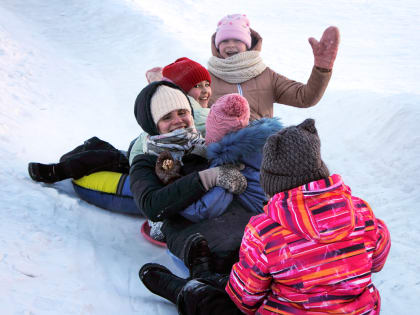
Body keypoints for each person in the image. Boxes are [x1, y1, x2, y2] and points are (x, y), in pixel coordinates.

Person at [137, 119, 391, 315]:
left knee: (218, 304)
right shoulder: (362, 212)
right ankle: (202, 273)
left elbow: (245, 299)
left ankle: (188, 289)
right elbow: (377, 260)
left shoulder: (265, 230)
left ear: (271, 183)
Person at [27, 57, 212, 184]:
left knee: (110, 154)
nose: (205, 91)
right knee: (100, 159)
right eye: (196, 86)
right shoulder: (195, 112)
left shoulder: (203, 111)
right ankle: (56, 171)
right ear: (181, 91)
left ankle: (94, 144)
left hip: (143, 151)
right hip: (141, 158)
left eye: (207, 85)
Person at [208, 14, 340, 120]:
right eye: (224, 41)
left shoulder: (265, 75)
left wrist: (322, 69)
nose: (230, 45)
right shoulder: (206, 79)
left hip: (261, 150)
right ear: (217, 45)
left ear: (247, 45)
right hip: (219, 151)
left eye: (237, 40)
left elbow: (304, 97)